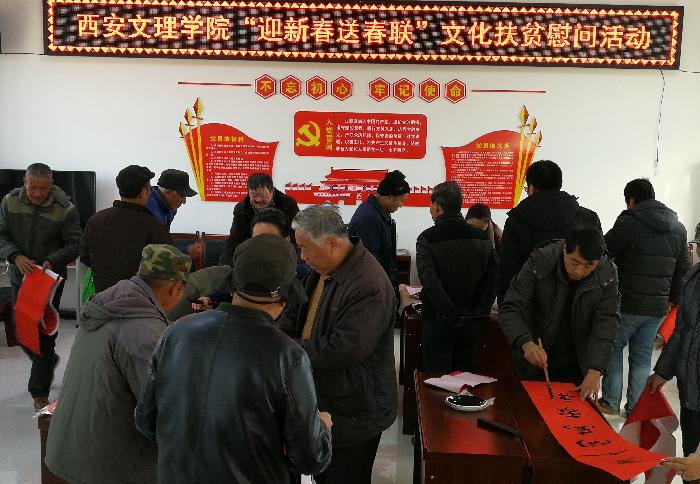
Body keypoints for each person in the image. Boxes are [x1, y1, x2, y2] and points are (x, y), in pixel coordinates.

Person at [135, 235, 332, 483]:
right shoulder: (287, 356)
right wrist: (323, 427)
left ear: (232, 287)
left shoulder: (176, 332)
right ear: (285, 299)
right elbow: (311, 458)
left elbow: (146, 421)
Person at [45, 245, 191, 484]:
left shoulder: (112, 303)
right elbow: (165, 413)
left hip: (68, 447)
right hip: (102, 467)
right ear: (176, 288)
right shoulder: (145, 331)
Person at [278, 204, 397, 484]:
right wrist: (277, 332)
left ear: (331, 243)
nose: (302, 257)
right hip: (329, 397)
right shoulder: (326, 267)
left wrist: (286, 349)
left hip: (356, 409)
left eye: (305, 249)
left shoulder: (368, 284)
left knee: (345, 476)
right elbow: (298, 307)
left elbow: (344, 348)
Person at [599, 178, 689, 416]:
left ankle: (610, 402)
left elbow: (603, 251)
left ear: (631, 201)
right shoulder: (678, 228)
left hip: (627, 303)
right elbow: (683, 269)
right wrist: (672, 300)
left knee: (613, 349)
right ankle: (635, 409)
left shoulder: (628, 222)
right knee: (642, 356)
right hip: (657, 306)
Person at [499, 225, 620, 400]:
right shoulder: (541, 261)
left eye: (589, 266)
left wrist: (596, 369)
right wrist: (525, 343)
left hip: (577, 362)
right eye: (574, 262)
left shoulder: (606, 274)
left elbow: (607, 323)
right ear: (564, 249)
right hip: (535, 357)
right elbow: (511, 307)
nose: (579, 271)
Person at [0, 163, 81, 410]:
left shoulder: (66, 209)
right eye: (32, 187)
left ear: (51, 184)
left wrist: (52, 260)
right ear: (24, 182)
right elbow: (1, 235)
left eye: (43, 188)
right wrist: (15, 255)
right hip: (20, 278)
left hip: (48, 281)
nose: (37, 193)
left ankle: (39, 392)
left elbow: (75, 243)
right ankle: (47, 361)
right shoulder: (9, 202)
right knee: (23, 332)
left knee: (44, 335)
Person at [416, 182, 497, 373]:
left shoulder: (427, 238)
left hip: (439, 322)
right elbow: (492, 279)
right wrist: (478, 313)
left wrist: (452, 314)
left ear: (437, 206)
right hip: (472, 322)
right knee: (465, 378)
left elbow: (430, 281)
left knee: (437, 380)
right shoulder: (482, 238)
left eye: (431, 206)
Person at [496, 160, 579, 305]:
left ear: (532, 188)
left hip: (531, 305)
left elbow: (508, 270)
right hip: (575, 305)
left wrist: (506, 307)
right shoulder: (586, 217)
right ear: (559, 185)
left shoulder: (516, 221)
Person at [80, 165, 172, 292]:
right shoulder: (154, 226)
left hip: (102, 297)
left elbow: (84, 256)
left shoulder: (96, 219)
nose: (150, 192)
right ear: (143, 192)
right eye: (149, 189)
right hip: (138, 298)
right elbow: (166, 267)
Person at [648, 260, 700, 474]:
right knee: (689, 462)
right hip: (691, 392)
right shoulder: (694, 277)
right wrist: (663, 370)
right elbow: (681, 329)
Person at [348, 170, 410, 289]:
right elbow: (368, 264)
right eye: (401, 200)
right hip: (370, 288)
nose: (401, 205)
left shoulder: (379, 213)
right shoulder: (369, 219)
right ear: (389, 197)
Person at [219, 173, 299, 265]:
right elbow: (234, 241)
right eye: (254, 196)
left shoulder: (287, 204)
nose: (258, 200)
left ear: (272, 191)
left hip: (282, 252)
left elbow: (296, 235)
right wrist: (225, 266)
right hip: (253, 253)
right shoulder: (241, 209)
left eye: (262, 195)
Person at [145, 168, 202, 258]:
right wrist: (185, 251)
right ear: (168, 192)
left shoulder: (170, 206)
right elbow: (152, 249)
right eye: (182, 195)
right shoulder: (151, 210)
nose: (184, 201)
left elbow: (164, 241)